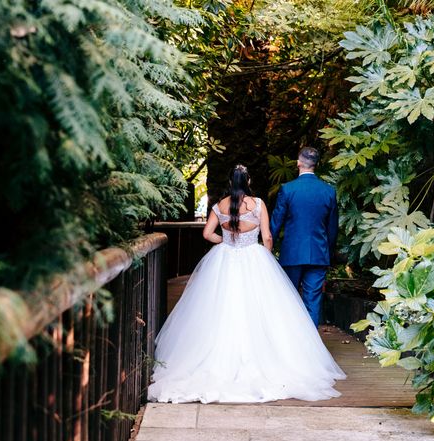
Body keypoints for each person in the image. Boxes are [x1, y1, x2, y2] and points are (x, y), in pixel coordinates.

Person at [147, 165, 345, 404]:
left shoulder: (220, 206)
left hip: (225, 258)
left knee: (220, 309)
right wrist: (267, 255)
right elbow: (268, 236)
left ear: (230, 182)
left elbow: (207, 234)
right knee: (260, 309)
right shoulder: (258, 204)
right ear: (249, 180)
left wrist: (225, 240)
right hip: (254, 257)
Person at [270, 147, 339, 328]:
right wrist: (328, 252)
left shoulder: (288, 189)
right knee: (313, 301)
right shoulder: (328, 191)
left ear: (298, 163)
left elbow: (276, 222)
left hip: (292, 253)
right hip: (318, 253)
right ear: (316, 164)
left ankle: (289, 344)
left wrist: (268, 246)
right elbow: (332, 228)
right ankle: (311, 348)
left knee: (289, 299)